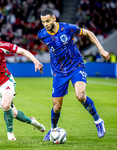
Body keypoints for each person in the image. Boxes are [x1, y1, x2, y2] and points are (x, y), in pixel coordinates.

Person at [38, 9, 110, 140]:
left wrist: (101, 49)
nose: (46, 24)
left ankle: (98, 121)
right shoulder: (42, 34)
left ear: (54, 18)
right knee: (57, 106)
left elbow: (88, 33)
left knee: (80, 96)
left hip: (75, 65)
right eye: (43, 22)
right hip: (59, 72)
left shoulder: (67, 28)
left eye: (48, 21)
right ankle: (53, 129)